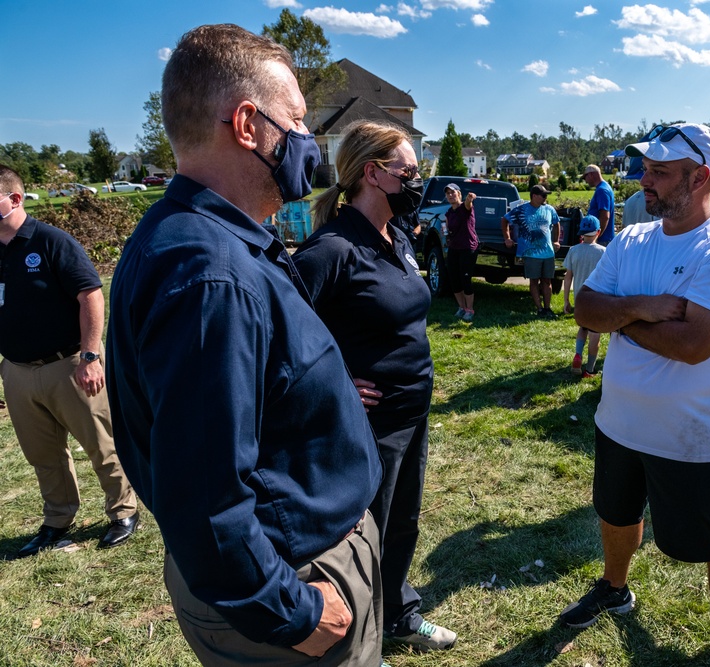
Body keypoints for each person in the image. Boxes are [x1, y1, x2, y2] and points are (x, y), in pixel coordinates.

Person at [105, 25, 384, 666]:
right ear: (248, 124)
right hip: (293, 585)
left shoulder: (203, 238)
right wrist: (292, 612)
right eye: (298, 122)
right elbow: (205, 498)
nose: (308, 142)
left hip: (295, 562)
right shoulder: (211, 275)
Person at [561, 123, 710, 631]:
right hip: (618, 423)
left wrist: (619, 321)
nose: (643, 180)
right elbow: (586, 308)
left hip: (691, 438)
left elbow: (692, 345)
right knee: (616, 515)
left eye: (659, 172)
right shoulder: (632, 238)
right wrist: (644, 308)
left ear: (700, 178)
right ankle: (614, 587)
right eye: (645, 168)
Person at [291, 120, 456, 652]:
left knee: (402, 523)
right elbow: (280, 332)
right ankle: (361, 641)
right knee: (365, 534)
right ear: (372, 173)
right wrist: (332, 381)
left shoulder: (398, 236)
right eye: (408, 172)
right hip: (369, 424)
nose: (416, 181)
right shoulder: (332, 248)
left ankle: (397, 615)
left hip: (412, 411)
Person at [0, 165, 138, 559]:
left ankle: (123, 511)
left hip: (70, 364)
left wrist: (91, 356)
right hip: (18, 371)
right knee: (43, 455)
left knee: (101, 443)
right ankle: (58, 519)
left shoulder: (50, 242)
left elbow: (91, 295)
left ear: (15, 199)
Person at [501, 184, 561, 318]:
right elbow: (504, 220)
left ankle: (547, 308)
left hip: (548, 252)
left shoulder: (549, 209)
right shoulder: (521, 210)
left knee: (547, 281)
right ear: (534, 196)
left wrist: (556, 240)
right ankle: (539, 309)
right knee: (534, 281)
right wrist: (507, 238)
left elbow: (557, 222)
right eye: (543, 195)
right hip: (530, 253)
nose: (546, 198)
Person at [561, 214, 606, 377]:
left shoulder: (573, 250)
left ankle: (578, 354)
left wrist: (566, 300)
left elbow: (568, 277)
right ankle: (590, 369)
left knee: (583, 328)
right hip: (597, 301)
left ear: (581, 233)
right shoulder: (603, 252)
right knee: (595, 335)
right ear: (598, 232)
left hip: (580, 299)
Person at [443, 182, 478, 322]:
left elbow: (469, 203)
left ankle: (470, 310)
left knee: (465, 279)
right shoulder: (449, 213)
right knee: (454, 279)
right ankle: (461, 307)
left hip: (468, 248)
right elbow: (447, 230)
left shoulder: (465, 207)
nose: (451, 195)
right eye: (448, 193)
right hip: (454, 248)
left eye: (453, 192)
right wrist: (446, 234)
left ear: (459, 194)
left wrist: (470, 198)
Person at [583, 164, 615, 245]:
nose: (585, 181)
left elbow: (605, 216)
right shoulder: (605, 187)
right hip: (603, 238)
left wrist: (596, 236)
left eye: (585, 177)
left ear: (591, 175)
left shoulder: (602, 190)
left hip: (602, 240)